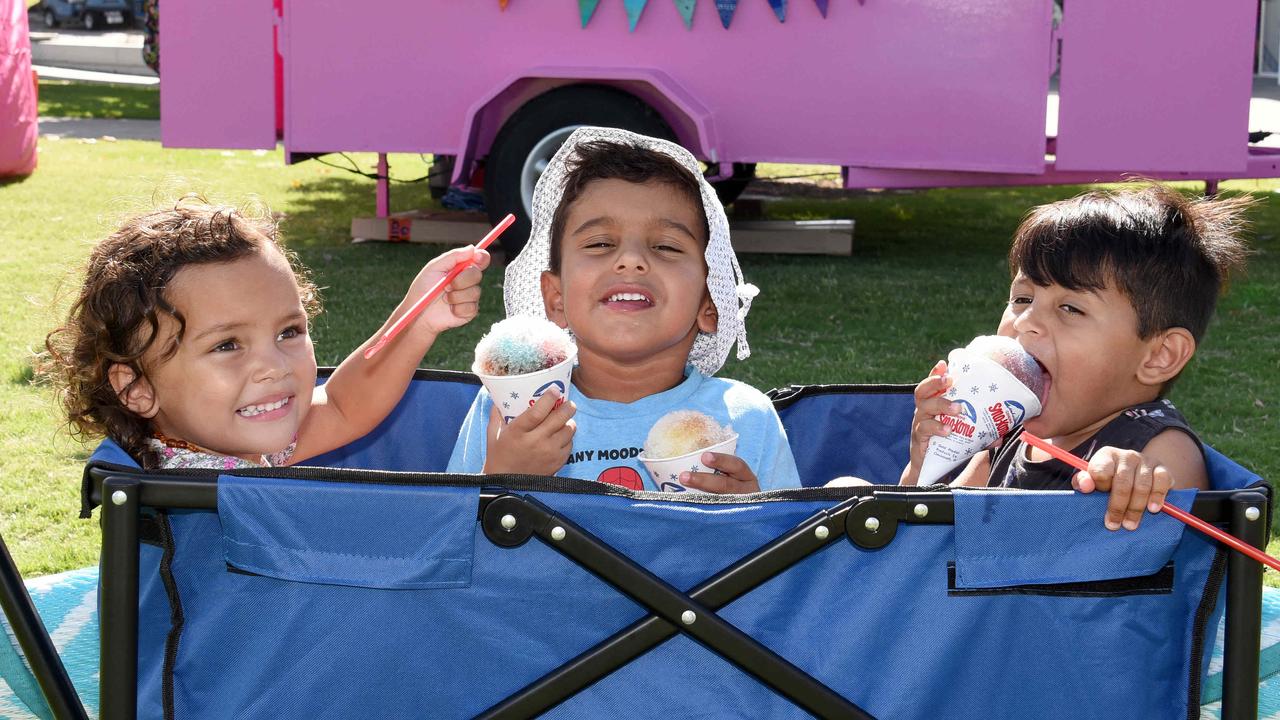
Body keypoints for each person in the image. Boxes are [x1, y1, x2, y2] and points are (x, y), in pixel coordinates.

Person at [448, 127, 800, 493]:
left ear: (710, 303)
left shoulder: (745, 418)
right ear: (556, 299)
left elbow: (794, 544)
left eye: (666, 246)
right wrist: (499, 478)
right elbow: (447, 543)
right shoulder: (512, 409)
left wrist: (753, 515)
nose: (631, 260)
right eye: (600, 243)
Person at [41, 195, 489, 470]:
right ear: (136, 387)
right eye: (227, 344)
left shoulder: (233, 443)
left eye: (288, 331)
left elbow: (341, 404)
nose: (273, 367)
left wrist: (418, 317)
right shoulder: (191, 490)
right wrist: (491, 480)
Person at [901, 183, 1251, 530]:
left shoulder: (1157, 447)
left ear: (1159, 355)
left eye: (1069, 308)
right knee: (848, 489)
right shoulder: (1007, 427)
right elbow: (927, 538)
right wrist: (925, 465)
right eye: (1022, 299)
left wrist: (1135, 482)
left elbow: (1170, 559)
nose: (1026, 322)